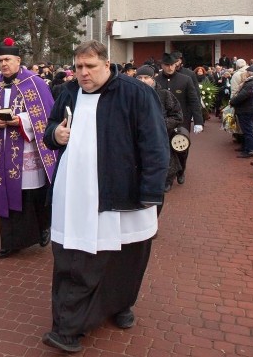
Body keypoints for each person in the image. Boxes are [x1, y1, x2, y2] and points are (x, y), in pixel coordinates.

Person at [42, 40, 167, 353]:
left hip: (124, 191)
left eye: (90, 67)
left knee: (128, 256)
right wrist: (55, 134)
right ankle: (67, 327)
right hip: (76, 194)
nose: (83, 73)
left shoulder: (136, 93)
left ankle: (120, 304)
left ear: (107, 64)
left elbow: (154, 144)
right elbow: (51, 128)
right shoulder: (68, 91)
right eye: (79, 67)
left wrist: (152, 192)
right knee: (77, 259)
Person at [0, 37, 57, 259]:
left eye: (8, 59)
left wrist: (20, 120)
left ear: (18, 60)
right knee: (5, 192)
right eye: (0, 60)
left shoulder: (35, 82)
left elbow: (45, 115)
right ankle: (10, 241)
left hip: (28, 149)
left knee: (32, 194)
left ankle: (43, 228)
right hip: (2, 150)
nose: (3, 64)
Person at [155, 53, 202, 188]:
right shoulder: (157, 80)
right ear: (162, 65)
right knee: (167, 149)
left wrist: (198, 121)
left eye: (172, 65)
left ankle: (181, 170)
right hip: (163, 121)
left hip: (182, 120)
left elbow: (194, 100)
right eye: (166, 65)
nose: (169, 68)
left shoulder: (185, 80)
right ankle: (168, 179)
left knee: (181, 148)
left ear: (176, 64)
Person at [136, 65, 183, 198]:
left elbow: (177, 116)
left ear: (153, 78)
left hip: (161, 135)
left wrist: (160, 125)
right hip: (139, 136)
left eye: (146, 77)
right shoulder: (132, 94)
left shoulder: (164, 95)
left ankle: (168, 179)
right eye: (139, 78)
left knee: (165, 158)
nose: (143, 81)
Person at [231, 65, 253, 157]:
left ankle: (249, 150)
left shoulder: (251, 83)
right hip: (247, 108)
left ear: (249, 73)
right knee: (246, 130)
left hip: (246, 109)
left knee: (248, 130)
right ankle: (245, 146)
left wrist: (232, 101)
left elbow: (243, 96)